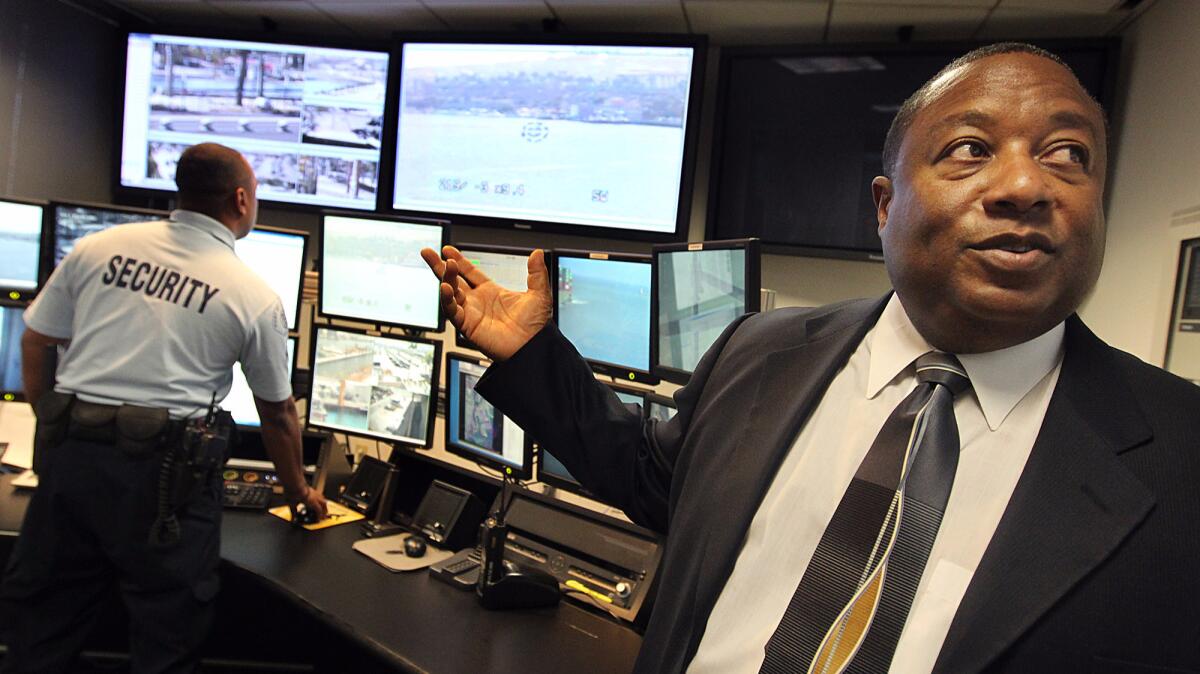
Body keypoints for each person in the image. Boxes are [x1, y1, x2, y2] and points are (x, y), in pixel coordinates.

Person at [422, 43, 1200, 673]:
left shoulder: (1183, 456)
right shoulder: (761, 351)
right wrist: (533, 358)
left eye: (1070, 155)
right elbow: (661, 486)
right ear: (885, 206)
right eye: (971, 148)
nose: (1028, 184)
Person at [0, 142, 327, 673]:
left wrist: (52, 427)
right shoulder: (252, 294)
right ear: (241, 200)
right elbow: (278, 414)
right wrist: (298, 493)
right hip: (166, 480)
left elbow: (36, 341)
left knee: (41, 632)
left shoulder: (98, 248)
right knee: (166, 640)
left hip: (73, 461)